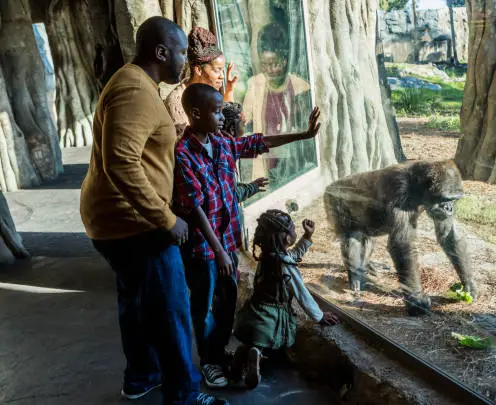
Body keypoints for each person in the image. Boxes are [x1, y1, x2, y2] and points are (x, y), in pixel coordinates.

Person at [80, 17, 227, 405]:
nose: (185, 60)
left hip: (116, 221)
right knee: (172, 309)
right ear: (161, 52)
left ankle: (141, 377)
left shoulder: (136, 85)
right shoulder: (133, 90)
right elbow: (122, 163)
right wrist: (166, 219)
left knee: (136, 301)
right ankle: (185, 395)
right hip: (135, 224)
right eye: (180, 52)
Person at [172, 84, 321, 389]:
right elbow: (196, 207)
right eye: (216, 111)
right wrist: (220, 252)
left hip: (226, 242)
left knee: (226, 303)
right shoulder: (183, 153)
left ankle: (220, 350)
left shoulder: (222, 143)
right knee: (204, 307)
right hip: (205, 249)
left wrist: (302, 135)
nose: (222, 117)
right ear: (196, 114)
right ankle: (210, 361)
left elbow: (259, 142)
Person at [232, 210, 339, 389]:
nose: (295, 231)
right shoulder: (284, 264)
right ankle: (257, 354)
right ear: (286, 237)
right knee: (270, 339)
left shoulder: (268, 255)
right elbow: (302, 293)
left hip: (255, 312)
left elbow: (292, 256)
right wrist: (319, 316)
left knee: (254, 339)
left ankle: (243, 354)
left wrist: (307, 236)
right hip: (272, 315)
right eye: (293, 229)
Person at [242, 22, 314, 185]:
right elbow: (244, 118)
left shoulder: (300, 87)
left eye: (275, 63)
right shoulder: (254, 84)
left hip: (292, 163)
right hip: (265, 162)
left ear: (285, 60)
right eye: (265, 64)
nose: (270, 70)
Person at [165, 26, 237, 136]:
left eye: (222, 70)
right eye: (217, 70)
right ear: (198, 69)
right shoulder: (177, 102)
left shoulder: (210, 92)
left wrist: (229, 90)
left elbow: (226, 124)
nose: (222, 76)